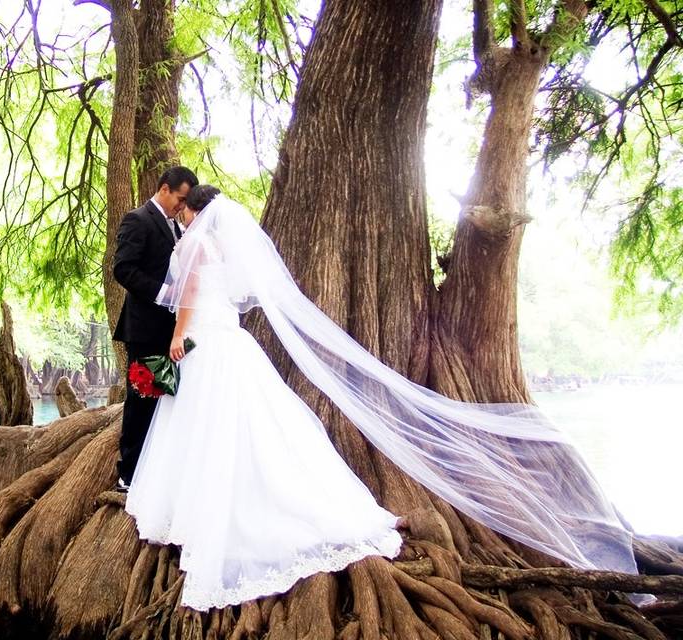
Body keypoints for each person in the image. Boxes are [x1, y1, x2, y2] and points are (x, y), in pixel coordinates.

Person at [125, 187, 638, 612]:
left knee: (204, 424)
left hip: (207, 342)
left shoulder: (194, 250)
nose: (184, 218)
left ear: (198, 214)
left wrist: (177, 340)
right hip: (230, 340)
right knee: (246, 423)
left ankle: (199, 510)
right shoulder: (223, 252)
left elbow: (188, 303)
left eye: (188, 212)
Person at [112, 165, 199, 491]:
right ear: (164, 189)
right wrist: (164, 294)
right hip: (145, 329)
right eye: (180, 198)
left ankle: (155, 470)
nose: (182, 206)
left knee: (165, 401)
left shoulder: (179, 229)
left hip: (172, 332)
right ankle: (128, 474)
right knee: (141, 400)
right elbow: (123, 269)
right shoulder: (138, 219)